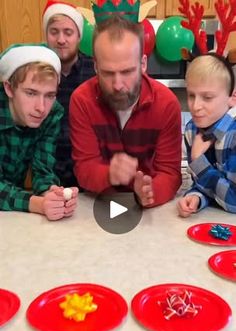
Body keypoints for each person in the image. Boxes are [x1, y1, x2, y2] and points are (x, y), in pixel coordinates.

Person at [69, 15, 182, 207]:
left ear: (143, 64)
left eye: (127, 71)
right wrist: (109, 174)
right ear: (95, 67)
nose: (118, 85)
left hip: (150, 213)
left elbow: (170, 173)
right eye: (107, 73)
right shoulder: (81, 101)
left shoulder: (166, 104)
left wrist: (149, 193)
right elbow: (84, 168)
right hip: (98, 204)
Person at [0, 43, 78, 220]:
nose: (41, 108)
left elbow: (43, 169)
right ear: (9, 88)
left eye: (50, 95)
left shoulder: (53, 113)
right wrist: (37, 204)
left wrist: (50, 193)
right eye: (31, 93)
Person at [43, 0, 95, 187]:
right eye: (54, 32)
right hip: (46, 170)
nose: (61, 39)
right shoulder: (35, 71)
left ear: (79, 36)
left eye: (68, 32)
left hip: (89, 168)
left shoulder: (96, 70)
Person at [177, 53, 236, 217]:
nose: (195, 106)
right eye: (191, 95)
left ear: (232, 98)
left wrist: (197, 160)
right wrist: (196, 196)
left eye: (207, 97)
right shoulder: (192, 130)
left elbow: (233, 201)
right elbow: (205, 186)